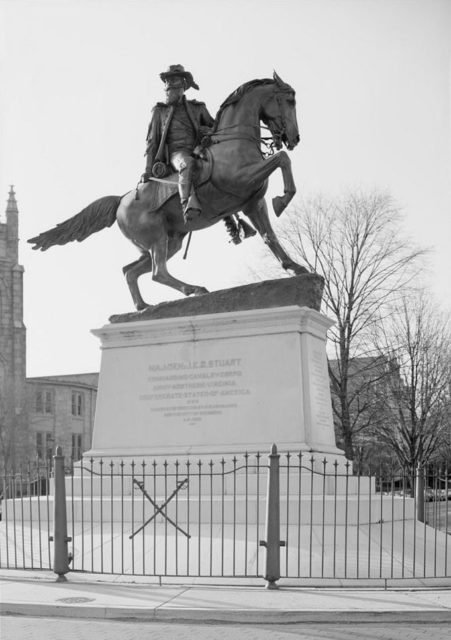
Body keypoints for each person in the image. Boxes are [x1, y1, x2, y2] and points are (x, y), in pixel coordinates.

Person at [142, 64, 215, 221]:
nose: (168, 89)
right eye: (167, 84)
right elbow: (152, 142)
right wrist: (148, 170)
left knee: (221, 165)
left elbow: (216, 129)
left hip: (199, 149)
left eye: (173, 84)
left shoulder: (198, 108)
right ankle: (186, 205)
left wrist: (207, 132)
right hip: (177, 154)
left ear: (182, 86)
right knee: (186, 163)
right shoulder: (159, 111)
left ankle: (232, 221)